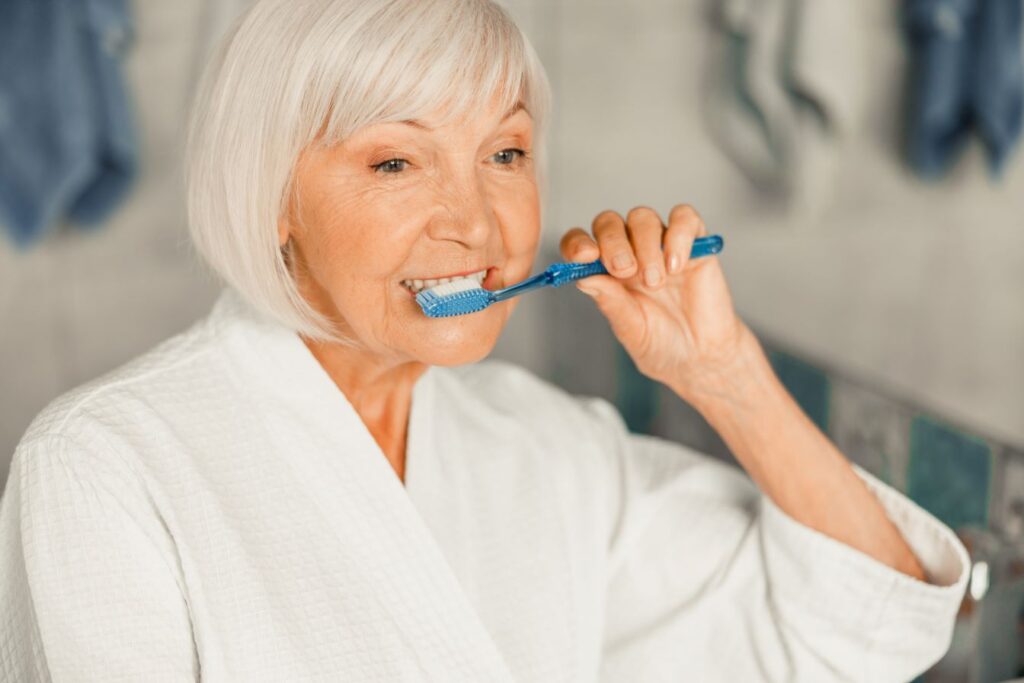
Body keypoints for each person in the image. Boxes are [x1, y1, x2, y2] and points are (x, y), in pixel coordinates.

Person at [0, 0, 969, 680]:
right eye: (395, 160)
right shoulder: (105, 466)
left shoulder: (548, 446)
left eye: (503, 152)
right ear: (273, 198)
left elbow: (864, 629)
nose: (474, 218)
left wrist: (721, 373)